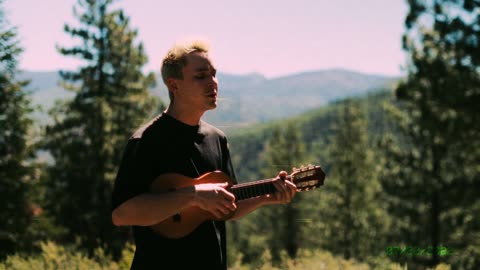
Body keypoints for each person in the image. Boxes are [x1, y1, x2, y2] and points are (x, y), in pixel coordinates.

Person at [111, 39, 297, 270]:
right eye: (201, 76)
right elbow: (122, 214)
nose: (213, 83)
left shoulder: (216, 139)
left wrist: (267, 196)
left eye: (214, 74)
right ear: (174, 85)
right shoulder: (147, 141)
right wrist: (194, 195)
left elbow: (228, 206)